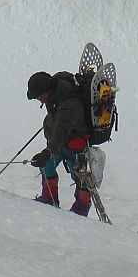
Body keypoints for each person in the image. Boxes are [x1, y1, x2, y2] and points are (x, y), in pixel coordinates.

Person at [26, 71, 92, 216]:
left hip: (75, 145)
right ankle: (49, 198)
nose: (39, 100)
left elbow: (61, 131)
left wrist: (48, 152)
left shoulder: (68, 105)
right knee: (47, 166)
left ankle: (81, 207)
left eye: (38, 96)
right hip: (60, 143)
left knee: (80, 178)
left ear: (46, 91)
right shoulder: (56, 89)